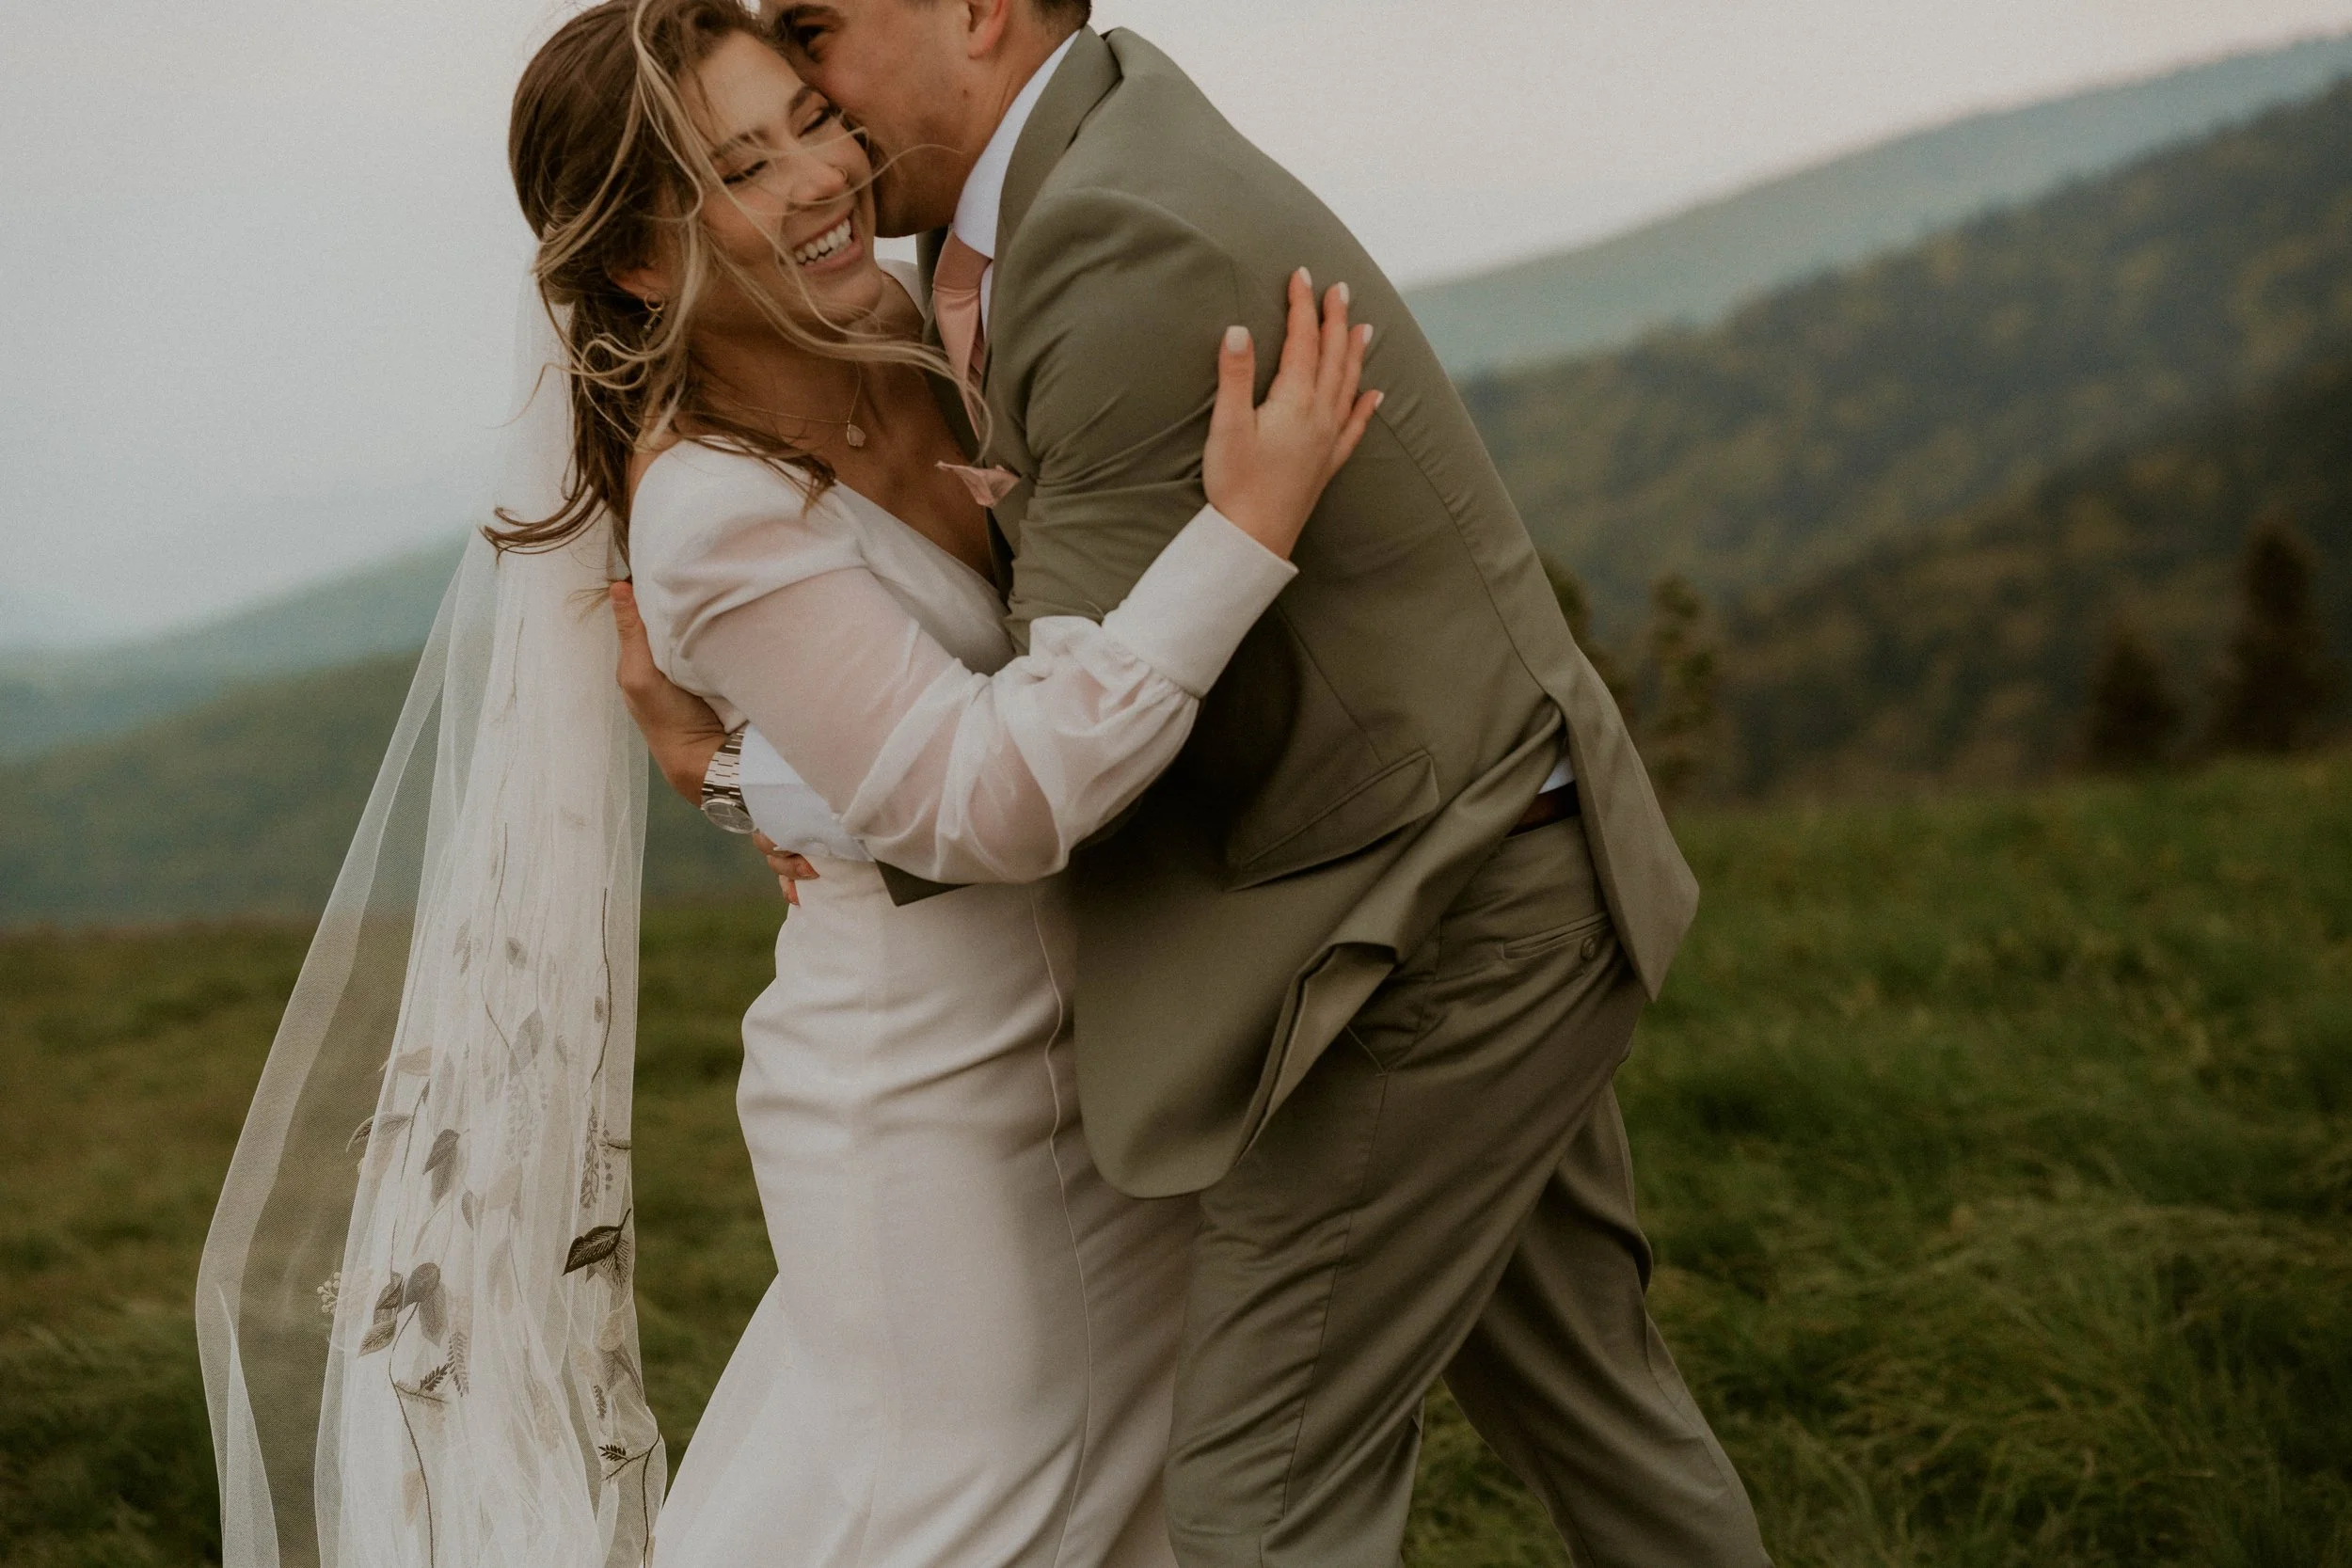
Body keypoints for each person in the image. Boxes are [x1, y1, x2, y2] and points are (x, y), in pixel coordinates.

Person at [617, 3, 1775, 1566]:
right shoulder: (1059, 182)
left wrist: (735, 775)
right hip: (1455, 862)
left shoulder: (1107, 246)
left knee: (1258, 1502)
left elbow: (1025, 774)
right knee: (1596, 1415)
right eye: (756, 141)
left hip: (1419, 920)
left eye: (817, 43)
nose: (822, 119)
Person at [523, 4, 1380, 1567]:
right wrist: (1242, 535)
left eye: (808, 117)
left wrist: (730, 777)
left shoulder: (922, 327)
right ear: (642, 266)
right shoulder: (712, 510)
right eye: (739, 163)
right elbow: (984, 800)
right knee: (958, 1517)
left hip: (1114, 1034)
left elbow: (945, 719)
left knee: (1127, 1503)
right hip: (928, 1104)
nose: (820, 175)